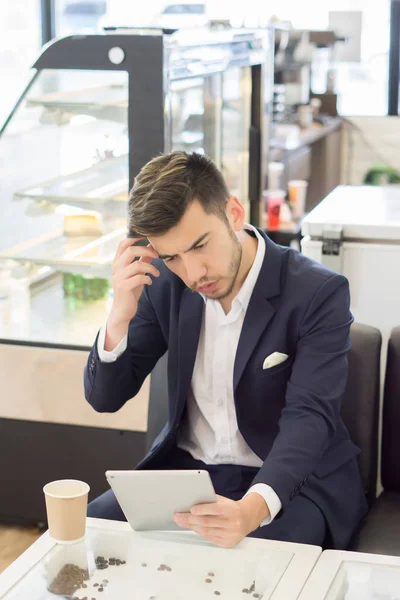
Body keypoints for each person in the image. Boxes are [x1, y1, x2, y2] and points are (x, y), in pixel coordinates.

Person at [84, 151, 367, 549]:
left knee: (260, 566)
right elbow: (104, 398)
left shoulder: (318, 293)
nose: (192, 272)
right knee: (93, 533)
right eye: (172, 257)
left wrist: (250, 510)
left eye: (200, 245)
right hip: (189, 478)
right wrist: (119, 314)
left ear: (233, 213)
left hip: (291, 485)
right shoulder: (165, 283)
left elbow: (309, 418)